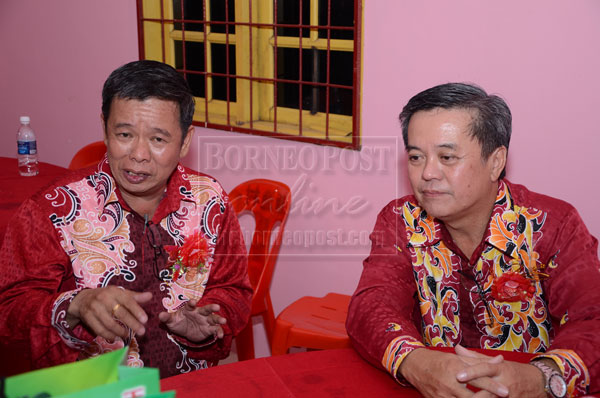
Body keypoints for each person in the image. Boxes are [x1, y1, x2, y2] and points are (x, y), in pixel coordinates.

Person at [0, 60, 252, 378]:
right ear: (105, 127)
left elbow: (233, 288)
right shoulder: (52, 208)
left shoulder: (209, 200)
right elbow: (9, 312)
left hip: (188, 383)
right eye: (124, 134)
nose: (139, 154)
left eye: (158, 140)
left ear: (185, 141)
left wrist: (209, 322)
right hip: (87, 387)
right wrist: (75, 305)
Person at [346, 82, 600, 397]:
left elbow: (592, 318)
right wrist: (418, 363)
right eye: (415, 157)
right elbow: (371, 305)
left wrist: (538, 379)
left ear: (495, 161)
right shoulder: (401, 221)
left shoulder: (551, 225)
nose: (427, 173)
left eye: (447, 157)